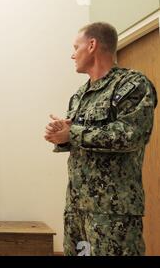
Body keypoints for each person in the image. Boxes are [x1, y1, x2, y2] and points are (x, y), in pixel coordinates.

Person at [45, 22, 157, 256]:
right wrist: (61, 136)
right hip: (77, 209)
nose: (72, 54)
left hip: (113, 213)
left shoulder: (132, 84)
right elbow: (80, 137)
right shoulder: (79, 95)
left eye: (76, 47)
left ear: (92, 45)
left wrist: (73, 132)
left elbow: (130, 135)